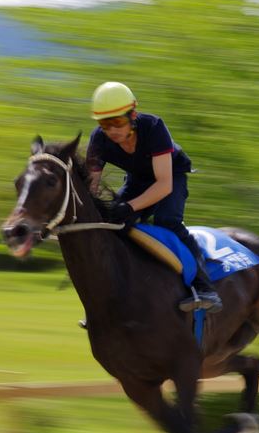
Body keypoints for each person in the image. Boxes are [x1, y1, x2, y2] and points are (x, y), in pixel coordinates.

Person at [86, 81, 222, 313]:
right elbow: (91, 187)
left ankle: (205, 286)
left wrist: (129, 207)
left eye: (117, 122)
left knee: (167, 221)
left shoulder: (154, 126)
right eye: (104, 124)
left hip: (171, 176)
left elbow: (164, 185)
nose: (112, 131)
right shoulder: (99, 139)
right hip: (138, 178)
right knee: (112, 225)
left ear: (133, 115)